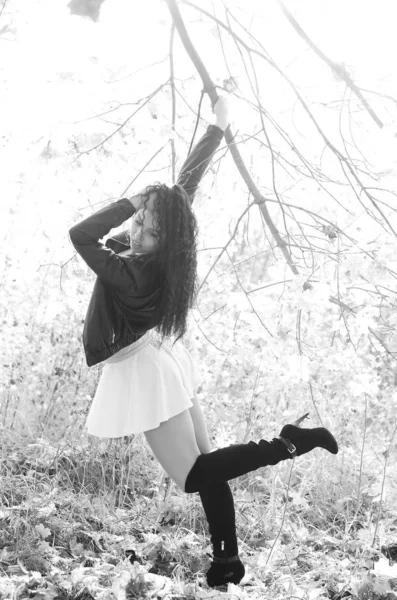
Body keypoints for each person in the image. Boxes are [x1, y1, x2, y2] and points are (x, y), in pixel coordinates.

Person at [69, 96, 339, 588]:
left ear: (163, 239)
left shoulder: (132, 276)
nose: (138, 232)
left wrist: (133, 201)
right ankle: (227, 563)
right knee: (210, 467)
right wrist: (215, 130)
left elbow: (80, 234)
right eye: (140, 225)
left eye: (148, 230)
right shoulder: (167, 255)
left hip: (144, 369)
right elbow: (185, 187)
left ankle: (288, 443)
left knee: (193, 476)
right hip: (161, 357)